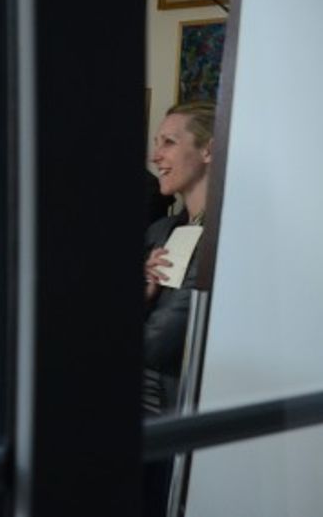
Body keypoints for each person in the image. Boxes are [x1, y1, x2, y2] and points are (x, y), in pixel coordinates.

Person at [141, 100, 215, 517]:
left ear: (209, 150)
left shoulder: (220, 237)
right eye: (156, 143)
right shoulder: (161, 229)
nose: (156, 157)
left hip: (174, 426)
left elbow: (159, 346)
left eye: (169, 142)